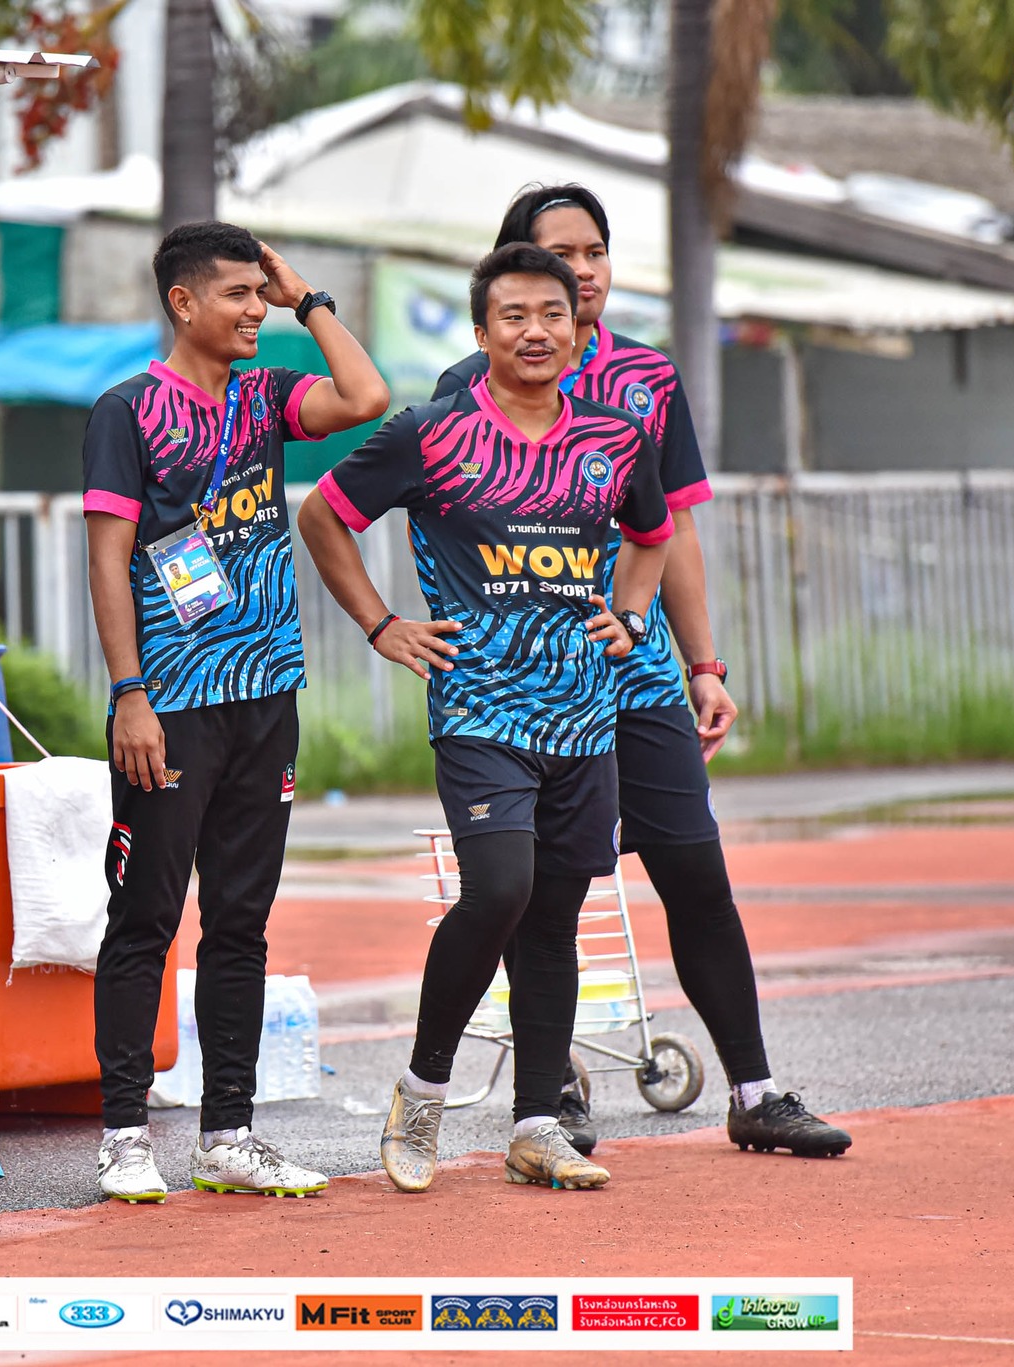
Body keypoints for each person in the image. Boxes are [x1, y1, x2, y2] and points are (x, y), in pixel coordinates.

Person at [435, 184, 851, 1159]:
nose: (582, 271)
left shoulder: (645, 376)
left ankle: (754, 1090)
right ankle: (546, 1098)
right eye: (560, 254)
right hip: (529, 688)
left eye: (595, 251)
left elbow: (673, 532)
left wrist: (702, 664)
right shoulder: (467, 386)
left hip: (640, 680)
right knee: (545, 893)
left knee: (695, 872)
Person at [298, 243, 673, 1193]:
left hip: (585, 716)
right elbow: (324, 517)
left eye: (552, 313)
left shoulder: (616, 437)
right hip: (479, 707)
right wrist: (381, 623)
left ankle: (537, 1123)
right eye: (513, 315)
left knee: (555, 915)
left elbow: (654, 533)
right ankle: (422, 1091)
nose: (535, 331)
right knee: (500, 886)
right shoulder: (431, 432)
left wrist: (630, 616)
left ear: (578, 329)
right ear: (481, 332)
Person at [83, 221, 391, 1202]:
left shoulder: (265, 397)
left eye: (260, 294)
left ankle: (228, 1133)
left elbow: (365, 396)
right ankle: (124, 1134)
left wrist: (309, 299)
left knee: (241, 922)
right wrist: (130, 694)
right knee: (144, 916)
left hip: (267, 697)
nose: (255, 310)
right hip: (171, 706)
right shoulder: (126, 411)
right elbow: (107, 559)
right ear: (182, 303)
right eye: (238, 294)